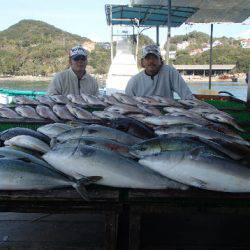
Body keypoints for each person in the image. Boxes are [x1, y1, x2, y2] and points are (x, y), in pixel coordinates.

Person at [125, 44, 194, 99]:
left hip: (168, 114)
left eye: (155, 58)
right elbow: (127, 103)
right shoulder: (134, 81)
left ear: (160, 61)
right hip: (143, 115)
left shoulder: (170, 72)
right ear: (142, 62)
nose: (151, 61)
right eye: (148, 58)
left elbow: (187, 95)